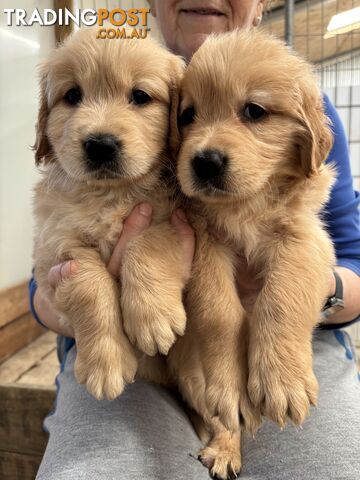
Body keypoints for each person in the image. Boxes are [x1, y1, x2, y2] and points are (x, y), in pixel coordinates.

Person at [30, 1, 360, 478]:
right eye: (189, 116)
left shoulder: (304, 102)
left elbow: (349, 256)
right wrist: (96, 304)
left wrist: (293, 301)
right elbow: (46, 286)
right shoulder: (127, 95)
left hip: (304, 333)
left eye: (253, 111)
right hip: (126, 356)